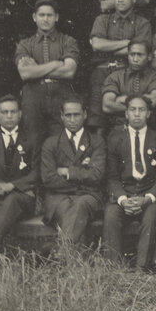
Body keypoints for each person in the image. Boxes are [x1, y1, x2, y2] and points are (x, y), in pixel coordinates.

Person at [102, 95, 156, 269]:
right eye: (133, 110)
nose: (137, 114)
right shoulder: (116, 139)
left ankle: (142, 269)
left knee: (151, 217)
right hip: (125, 194)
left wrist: (147, 198)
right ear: (126, 113)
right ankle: (114, 268)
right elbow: (112, 177)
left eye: (141, 110)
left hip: (149, 195)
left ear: (148, 114)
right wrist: (123, 200)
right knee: (111, 216)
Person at [40, 95, 106, 249]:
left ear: (85, 115)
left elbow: (96, 175)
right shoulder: (51, 143)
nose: (72, 119)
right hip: (59, 198)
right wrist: (82, 175)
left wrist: (68, 172)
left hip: (89, 197)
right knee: (72, 212)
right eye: (68, 115)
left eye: (76, 115)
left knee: (81, 204)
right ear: (62, 117)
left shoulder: (96, 141)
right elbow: (48, 179)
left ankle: (61, 252)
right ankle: (71, 257)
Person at [0, 95, 39, 250]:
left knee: (13, 200)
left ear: (20, 114)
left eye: (13, 111)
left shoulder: (32, 140)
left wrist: (12, 186)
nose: (9, 116)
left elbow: (37, 174)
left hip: (22, 199)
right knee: (4, 208)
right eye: (5, 112)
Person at [87, 0, 152, 130]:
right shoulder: (102, 20)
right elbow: (97, 45)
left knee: (127, 117)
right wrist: (128, 42)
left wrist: (108, 45)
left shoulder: (142, 23)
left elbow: (139, 51)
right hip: (101, 72)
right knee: (97, 122)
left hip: (127, 73)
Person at [15, 0, 79, 146]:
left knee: (62, 142)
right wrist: (56, 63)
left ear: (56, 17)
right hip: (33, 96)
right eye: (41, 15)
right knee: (34, 143)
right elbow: (25, 73)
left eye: (49, 15)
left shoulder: (68, 41)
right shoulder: (25, 45)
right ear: (34, 17)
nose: (45, 19)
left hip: (60, 95)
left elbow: (69, 71)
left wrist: (36, 68)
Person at [101, 39, 156, 129]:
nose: (135, 59)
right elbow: (107, 106)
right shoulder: (115, 77)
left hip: (149, 130)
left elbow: (153, 100)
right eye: (132, 54)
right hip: (121, 129)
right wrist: (142, 106)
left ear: (149, 56)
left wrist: (123, 99)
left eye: (140, 55)